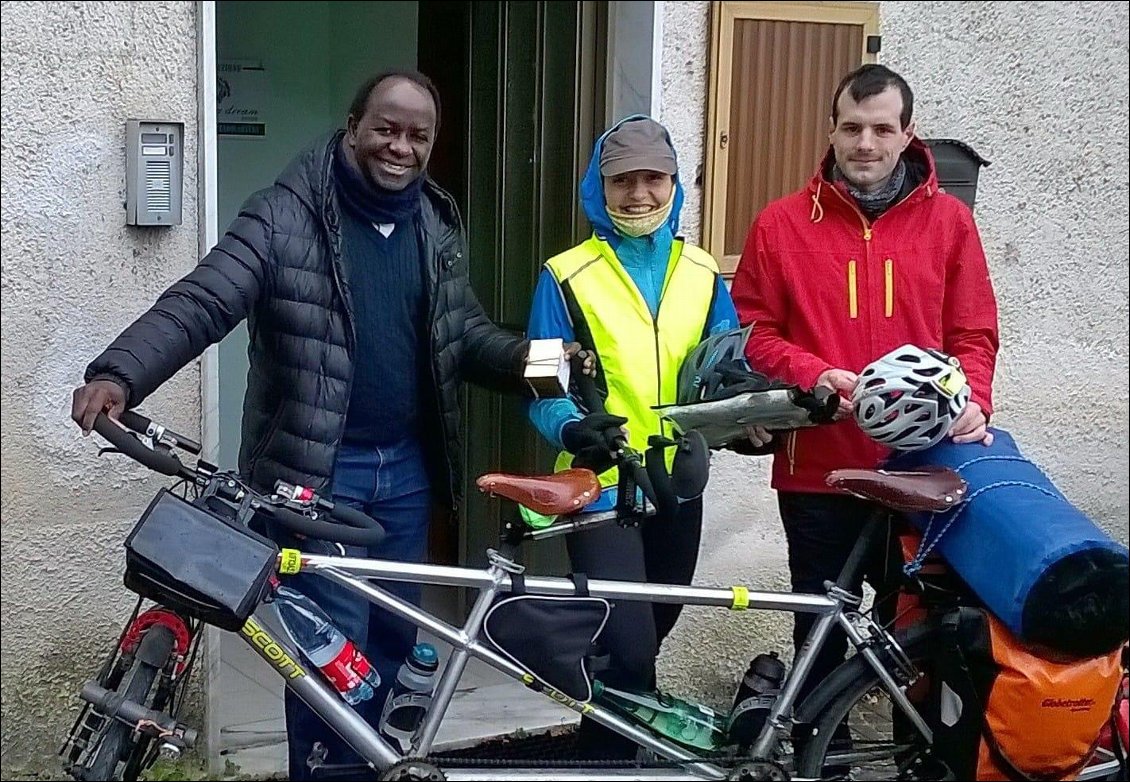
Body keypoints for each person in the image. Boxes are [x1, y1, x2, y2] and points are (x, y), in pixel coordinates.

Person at [70, 70, 583, 780]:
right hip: (317, 477)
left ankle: (384, 767)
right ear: (353, 125)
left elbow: (462, 337)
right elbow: (204, 300)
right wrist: (120, 372)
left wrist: (550, 364)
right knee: (331, 657)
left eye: (417, 135)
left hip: (406, 473)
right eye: (386, 128)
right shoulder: (283, 215)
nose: (400, 147)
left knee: (401, 650)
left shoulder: (434, 222)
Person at [730, 63, 1000, 706]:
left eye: (882, 129)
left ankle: (912, 753)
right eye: (852, 127)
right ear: (832, 130)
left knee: (912, 633)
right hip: (817, 469)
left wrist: (977, 402)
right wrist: (811, 372)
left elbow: (974, 334)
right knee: (819, 630)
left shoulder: (950, 225)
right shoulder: (779, 223)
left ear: (909, 134)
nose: (865, 145)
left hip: (920, 465)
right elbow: (753, 331)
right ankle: (818, 758)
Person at [525, 115, 772, 759]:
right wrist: (573, 425)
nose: (639, 194)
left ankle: (596, 748)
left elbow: (725, 371)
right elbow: (541, 384)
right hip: (602, 482)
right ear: (596, 188)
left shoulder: (701, 271)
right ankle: (621, 760)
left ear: (674, 184)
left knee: (648, 633)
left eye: (652, 178)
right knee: (629, 645)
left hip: (679, 483)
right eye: (622, 180)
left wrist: (740, 424)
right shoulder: (565, 274)